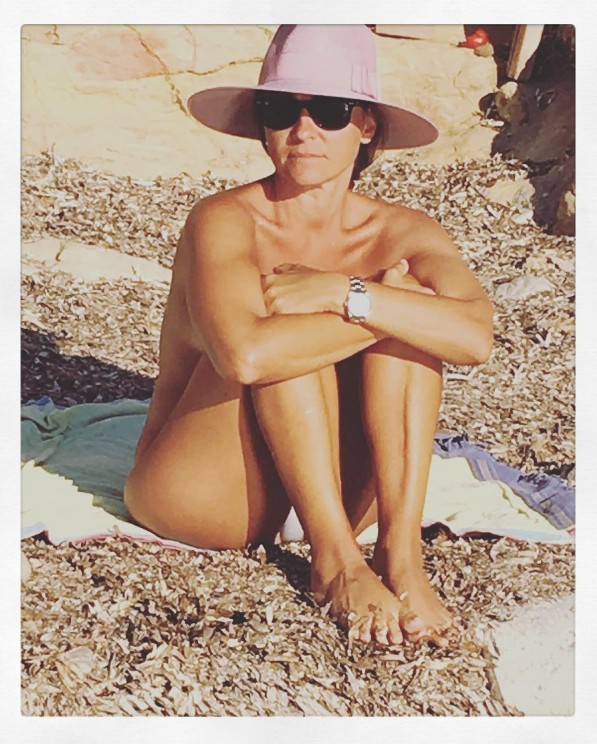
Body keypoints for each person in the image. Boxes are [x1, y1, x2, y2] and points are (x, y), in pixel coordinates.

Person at [124, 25, 494, 648]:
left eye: (329, 110)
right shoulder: (224, 220)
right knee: (373, 320)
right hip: (207, 490)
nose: (303, 131)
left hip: (344, 491)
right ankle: (337, 564)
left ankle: (400, 555)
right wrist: (385, 308)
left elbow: (476, 338)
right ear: (262, 124)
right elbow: (245, 356)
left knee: (403, 317)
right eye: (280, 109)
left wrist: (347, 293)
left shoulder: (403, 231)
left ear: (366, 126)